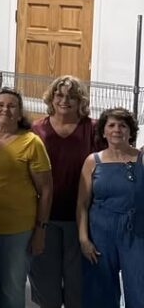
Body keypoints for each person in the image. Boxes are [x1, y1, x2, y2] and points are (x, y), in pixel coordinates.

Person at [0, 87, 52, 308]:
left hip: (17, 230)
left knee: (13, 288)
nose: (5, 109)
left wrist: (41, 230)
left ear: (19, 113)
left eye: (11, 105)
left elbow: (46, 190)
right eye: (0, 105)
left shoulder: (31, 142)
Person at [29, 76, 98, 308]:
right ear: (51, 97)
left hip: (81, 219)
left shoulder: (93, 128)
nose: (65, 100)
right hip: (43, 217)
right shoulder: (36, 129)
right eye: (59, 95)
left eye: (72, 96)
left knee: (77, 285)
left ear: (81, 101)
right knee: (45, 285)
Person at [77, 108, 144, 308]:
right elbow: (82, 204)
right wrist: (83, 239)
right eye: (112, 125)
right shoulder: (93, 161)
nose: (117, 130)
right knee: (100, 292)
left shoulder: (141, 160)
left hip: (137, 234)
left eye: (123, 126)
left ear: (131, 132)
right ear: (104, 131)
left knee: (139, 290)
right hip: (101, 234)